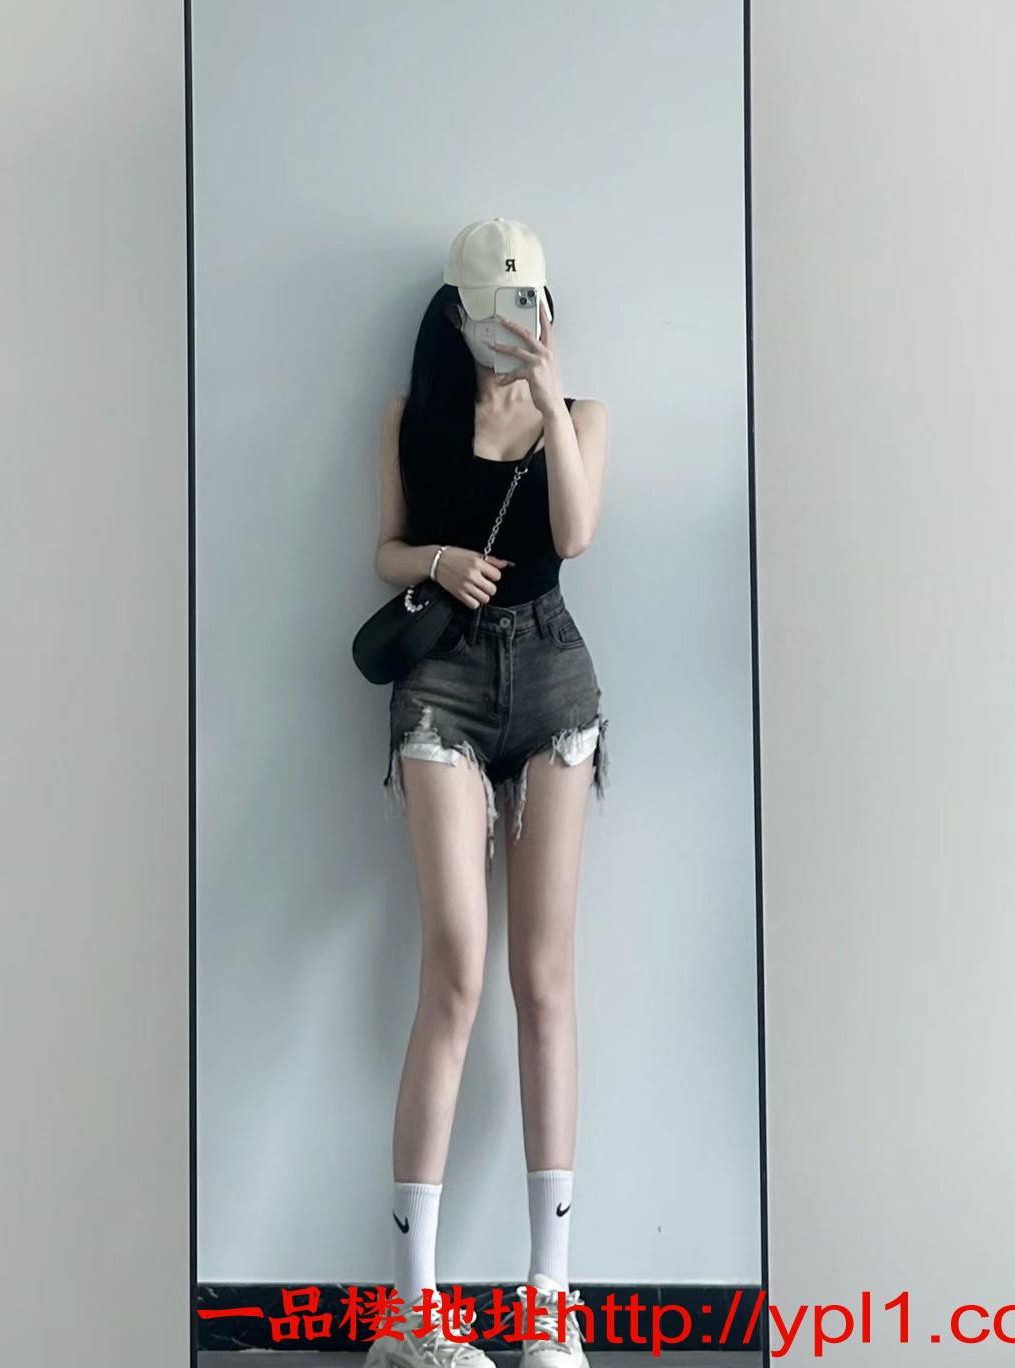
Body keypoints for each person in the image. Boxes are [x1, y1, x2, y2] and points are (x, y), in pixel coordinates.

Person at [366, 219, 609, 1368]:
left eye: (532, 302)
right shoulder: (411, 418)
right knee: (456, 969)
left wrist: (550, 402)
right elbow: (384, 549)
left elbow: (576, 534)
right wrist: (437, 563)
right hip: (444, 689)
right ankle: (410, 1318)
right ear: (456, 313)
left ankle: (548, 1299)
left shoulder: (584, 414)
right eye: (495, 306)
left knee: (544, 981)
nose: (516, 322)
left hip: (554, 678)